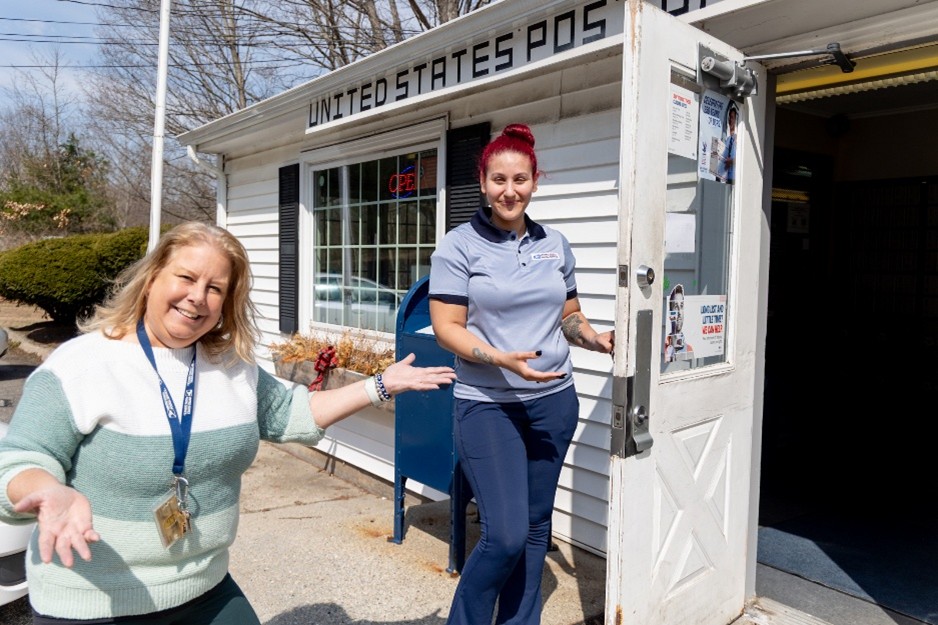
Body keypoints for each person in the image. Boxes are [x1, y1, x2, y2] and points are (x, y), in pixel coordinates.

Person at [0, 222, 456, 624]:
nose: (197, 297)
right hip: (95, 599)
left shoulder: (230, 365)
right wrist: (49, 490)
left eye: (215, 288)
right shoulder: (83, 363)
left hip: (203, 587)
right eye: (186, 277)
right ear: (152, 277)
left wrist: (381, 384)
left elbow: (290, 415)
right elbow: (21, 460)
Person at [428, 124, 614, 625]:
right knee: (504, 535)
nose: (509, 190)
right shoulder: (458, 246)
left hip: (554, 402)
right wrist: (499, 358)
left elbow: (568, 315)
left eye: (521, 179)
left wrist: (595, 338)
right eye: (498, 179)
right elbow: (446, 328)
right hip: (488, 405)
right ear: (483, 182)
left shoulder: (555, 243)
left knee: (535, 529)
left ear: (535, 181)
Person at [720, 102, 738, 183]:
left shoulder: (740, 138)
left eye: (732, 117)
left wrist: (731, 161)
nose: (730, 120)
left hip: (735, 178)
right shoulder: (728, 139)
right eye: (729, 118)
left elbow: (743, 159)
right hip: (726, 177)